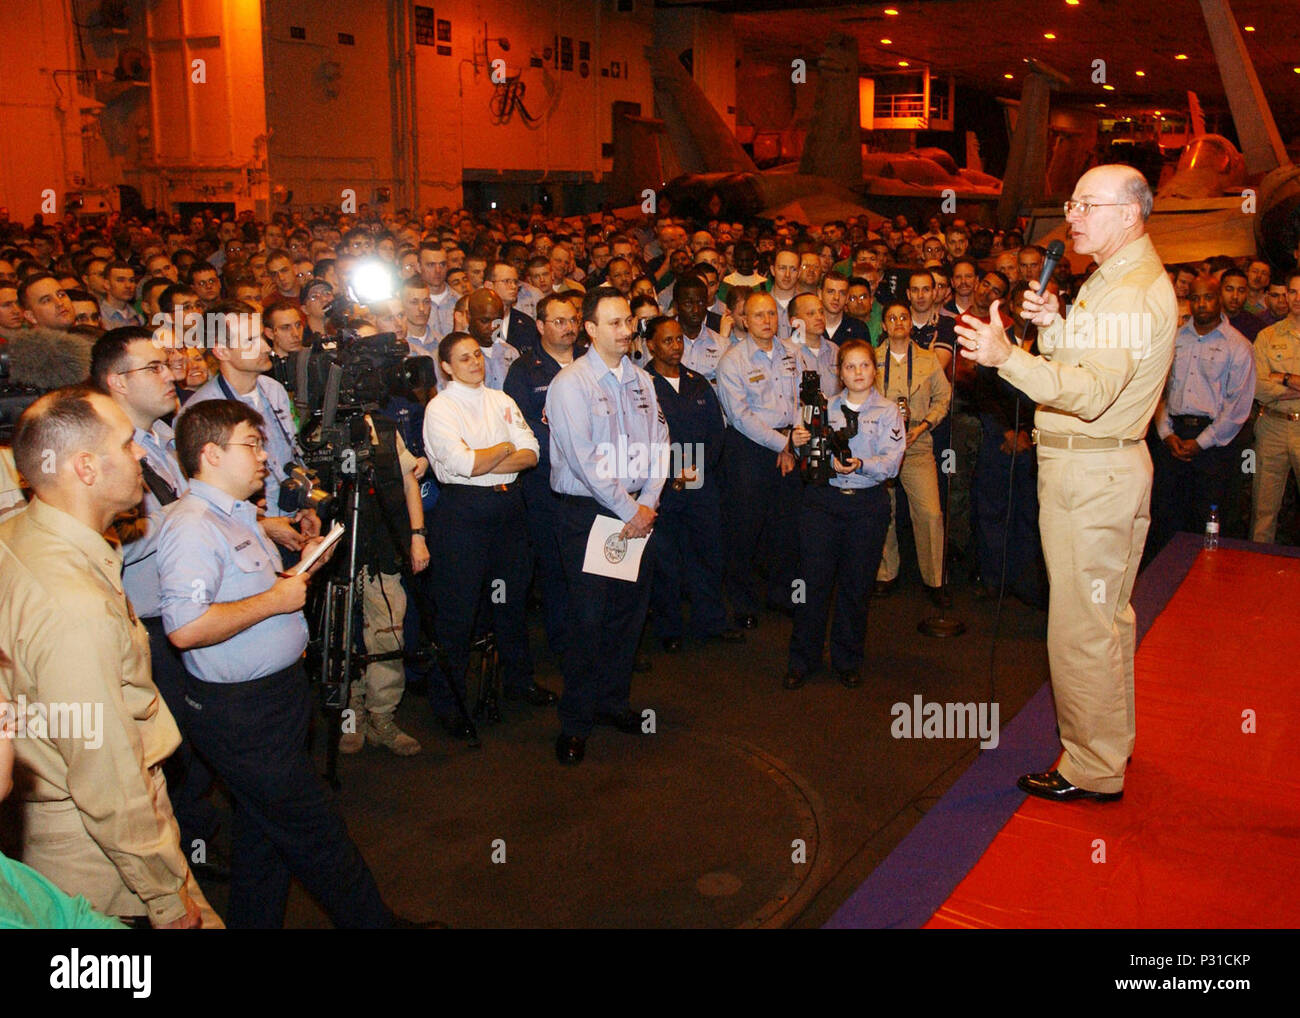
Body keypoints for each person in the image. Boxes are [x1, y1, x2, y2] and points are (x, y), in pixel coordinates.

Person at [956, 164, 1176, 803]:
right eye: (1072, 202)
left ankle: (1091, 768)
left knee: (1082, 628)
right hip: (1100, 469)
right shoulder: (1117, 277)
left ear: (1130, 214)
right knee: (1105, 621)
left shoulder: (1131, 288)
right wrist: (1055, 325)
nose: (1071, 216)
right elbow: (1092, 357)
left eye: (1087, 205)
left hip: (1093, 474)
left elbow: (1091, 389)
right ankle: (1109, 748)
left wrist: (1008, 358)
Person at [158, 399, 395, 928]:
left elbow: (255, 593)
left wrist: (299, 570)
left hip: (275, 696)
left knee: (263, 834)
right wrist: (275, 601)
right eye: (252, 444)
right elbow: (185, 627)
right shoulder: (193, 526)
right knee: (316, 832)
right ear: (211, 454)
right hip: (242, 713)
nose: (265, 455)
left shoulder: (241, 515)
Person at [0, 385, 219, 928]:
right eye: (125, 445)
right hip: (98, 856)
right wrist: (167, 898)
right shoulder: (74, 605)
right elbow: (107, 778)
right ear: (85, 469)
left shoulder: (16, 536)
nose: (141, 452)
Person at [91, 327, 227, 881]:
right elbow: (112, 541)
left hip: (179, 610)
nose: (172, 374)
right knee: (166, 745)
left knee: (190, 739)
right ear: (118, 382)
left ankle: (196, 829)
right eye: (154, 368)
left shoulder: (162, 435)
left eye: (168, 364)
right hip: (144, 621)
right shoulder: (107, 451)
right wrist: (183, 519)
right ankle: (182, 852)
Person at [545, 286, 669, 765]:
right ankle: (576, 720)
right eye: (614, 323)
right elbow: (584, 460)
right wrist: (630, 510)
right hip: (589, 516)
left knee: (626, 616)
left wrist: (649, 502)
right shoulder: (570, 384)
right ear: (590, 329)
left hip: (639, 512)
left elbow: (661, 442)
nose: (626, 331)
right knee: (588, 621)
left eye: (629, 323)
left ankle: (613, 702)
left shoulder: (642, 379)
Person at [423, 331, 555, 737]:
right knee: (459, 612)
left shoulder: (502, 400)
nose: (475, 364)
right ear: (446, 366)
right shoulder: (440, 408)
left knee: (510, 602)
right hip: (463, 514)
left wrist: (488, 455)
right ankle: (450, 703)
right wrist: (503, 448)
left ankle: (518, 681)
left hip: (508, 511)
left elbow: (532, 451)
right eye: (463, 359)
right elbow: (463, 466)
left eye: (476, 357)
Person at [785, 339, 904, 689]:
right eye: (849, 367)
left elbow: (892, 463)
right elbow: (803, 453)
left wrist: (861, 464)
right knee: (812, 584)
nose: (857, 373)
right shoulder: (821, 407)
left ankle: (847, 659)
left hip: (866, 505)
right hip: (824, 502)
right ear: (839, 372)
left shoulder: (887, 412)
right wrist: (797, 440)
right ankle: (802, 659)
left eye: (864, 366)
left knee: (856, 586)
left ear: (875, 370)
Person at [644, 316, 741, 651]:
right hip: (661, 489)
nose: (675, 347)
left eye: (678, 341)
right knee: (666, 559)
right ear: (650, 345)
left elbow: (716, 433)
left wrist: (694, 471)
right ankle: (668, 628)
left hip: (700, 483)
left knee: (708, 555)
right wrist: (671, 476)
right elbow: (639, 439)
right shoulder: (641, 385)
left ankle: (710, 621)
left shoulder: (698, 382)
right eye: (667, 341)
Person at [715, 291, 809, 630]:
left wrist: (792, 442)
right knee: (745, 529)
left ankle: (783, 595)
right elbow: (739, 416)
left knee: (787, 527)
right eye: (758, 315)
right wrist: (781, 443)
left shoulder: (794, 353)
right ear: (744, 320)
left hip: (791, 443)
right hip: (749, 450)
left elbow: (807, 399)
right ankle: (742, 602)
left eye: (771, 314)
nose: (767, 321)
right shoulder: (732, 360)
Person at [1148, 275, 1254, 558]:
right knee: (1166, 516)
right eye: (1195, 298)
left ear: (1219, 299)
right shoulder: (1175, 339)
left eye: (1208, 297)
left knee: (1208, 518)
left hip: (1214, 443)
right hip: (1173, 436)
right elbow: (1159, 390)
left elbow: (1238, 405)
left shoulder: (1238, 345)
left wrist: (1201, 442)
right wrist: (1166, 433)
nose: (1202, 304)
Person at [503, 294, 580, 662]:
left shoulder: (592, 362)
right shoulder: (524, 370)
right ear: (540, 326)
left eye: (572, 320)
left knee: (593, 563)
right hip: (546, 483)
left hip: (595, 481)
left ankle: (595, 637)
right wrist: (567, 446)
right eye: (559, 321)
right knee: (556, 565)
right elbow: (518, 425)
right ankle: (563, 642)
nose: (568, 328)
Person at [873, 300, 952, 607]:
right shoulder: (871, 359)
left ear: (910, 322)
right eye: (891, 318)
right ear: (884, 325)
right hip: (881, 444)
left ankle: (935, 580)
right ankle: (885, 574)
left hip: (918, 441)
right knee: (884, 511)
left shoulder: (928, 359)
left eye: (903, 317)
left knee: (931, 513)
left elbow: (943, 399)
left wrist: (924, 426)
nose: (897, 322)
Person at [1249, 268, 1300, 544]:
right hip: (1272, 426)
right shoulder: (1267, 336)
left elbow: (1270, 384)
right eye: (1292, 291)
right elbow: (1258, 386)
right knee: (1263, 510)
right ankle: (1256, 571)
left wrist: (1285, 378)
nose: (1297, 298)